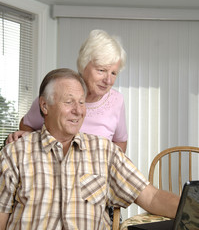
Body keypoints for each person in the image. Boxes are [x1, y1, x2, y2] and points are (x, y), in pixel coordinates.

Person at [0, 68, 180, 230]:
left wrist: (193, 210)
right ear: (44, 105)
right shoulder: (15, 153)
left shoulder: (105, 151)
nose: (78, 111)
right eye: (69, 102)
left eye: (81, 102)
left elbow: (152, 198)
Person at [6, 29, 128, 153]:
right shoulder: (57, 91)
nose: (108, 80)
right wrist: (31, 142)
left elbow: (120, 140)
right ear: (83, 65)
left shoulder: (117, 100)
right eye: (101, 70)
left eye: (113, 73)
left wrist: (110, 167)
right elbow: (27, 125)